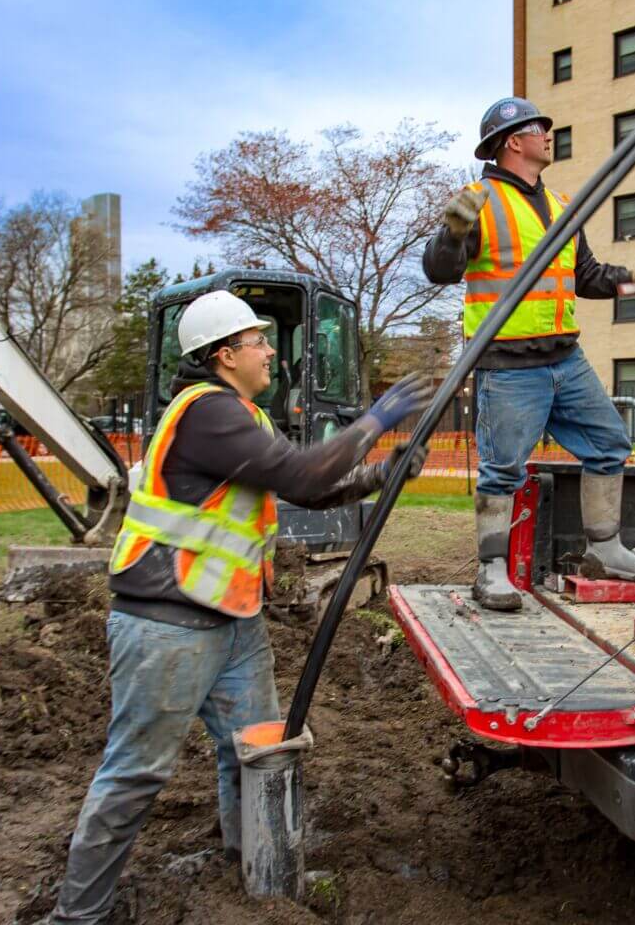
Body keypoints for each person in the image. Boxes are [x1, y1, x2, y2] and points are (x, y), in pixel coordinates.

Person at [51, 289, 431, 923]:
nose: (271, 355)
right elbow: (307, 476)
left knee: (255, 753)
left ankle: (255, 873)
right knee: (136, 773)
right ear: (225, 355)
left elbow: (301, 484)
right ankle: (77, 915)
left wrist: (378, 474)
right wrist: (375, 421)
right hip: (165, 625)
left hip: (231, 621)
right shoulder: (205, 413)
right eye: (259, 342)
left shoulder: (248, 419)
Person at [424, 97, 635, 610]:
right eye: (540, 127)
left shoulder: (560, 206)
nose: (549, 133)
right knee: (502, 471)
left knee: (608, 444)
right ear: (513, 141)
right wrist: (451, 232)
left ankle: (604, 551)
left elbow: (586, 277)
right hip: (509, 366)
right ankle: (490, 571)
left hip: (565, 360)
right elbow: (440, 270)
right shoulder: (477, 201)